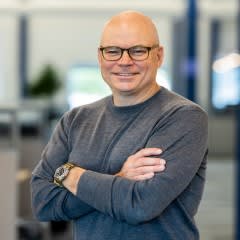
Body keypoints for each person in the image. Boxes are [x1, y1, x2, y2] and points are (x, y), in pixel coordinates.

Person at [31, 10, 208, 240]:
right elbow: (42, 202)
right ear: (100, 57)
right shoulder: (75, 120)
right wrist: (120, 178)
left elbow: (140, 204)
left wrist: (70, 175)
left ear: (159, 56)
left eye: (138, 51)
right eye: (113, 51)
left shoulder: (184, 117)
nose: (125, 61)